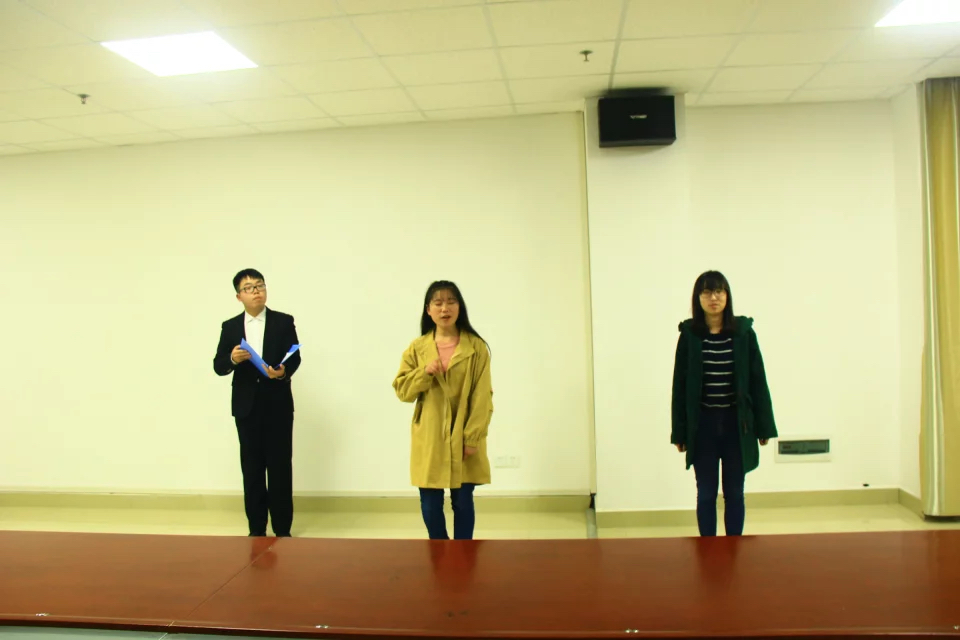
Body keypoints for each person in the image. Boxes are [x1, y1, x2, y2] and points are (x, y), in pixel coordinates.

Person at [671, 271, 776, 537]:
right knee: (706, 493)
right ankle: (708, 549)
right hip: (703, 427)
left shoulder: (743, 334)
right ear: (698, 298)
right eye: (707, 292)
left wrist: (764, 427)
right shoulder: (690, 336)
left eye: (719, 291)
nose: (713, 298)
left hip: (736, 426)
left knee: (734, 493)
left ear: (727, 296)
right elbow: (680, 387)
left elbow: (758, 381)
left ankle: (734, 548)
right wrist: (679, 432)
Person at [393, 281, 493, 540]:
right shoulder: (417, 348)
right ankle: (439, 550)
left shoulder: (476, 348)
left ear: (460, 307)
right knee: (429, 502)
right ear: (428, 310)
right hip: (430, 435)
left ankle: (463, 553)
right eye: (438, 303)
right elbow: (403, 391)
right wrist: (424, 373)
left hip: (463, 434)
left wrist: (472, 437)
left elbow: (482, 396)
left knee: (463, 500)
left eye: (451, 302)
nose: (444, 308)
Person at [213, 269, 301, 537]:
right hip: (246, 407)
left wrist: (282, 371)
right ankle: (256, 529)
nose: (256, 291)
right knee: (251, 469)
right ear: (238, 296)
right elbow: (218, 365)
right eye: (249, 288)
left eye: (260, 286)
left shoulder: (283, 321)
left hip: (278, 405)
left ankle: (283, 529)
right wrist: (232, 359)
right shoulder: (230, 327)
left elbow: (295, 357)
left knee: (280, 468)